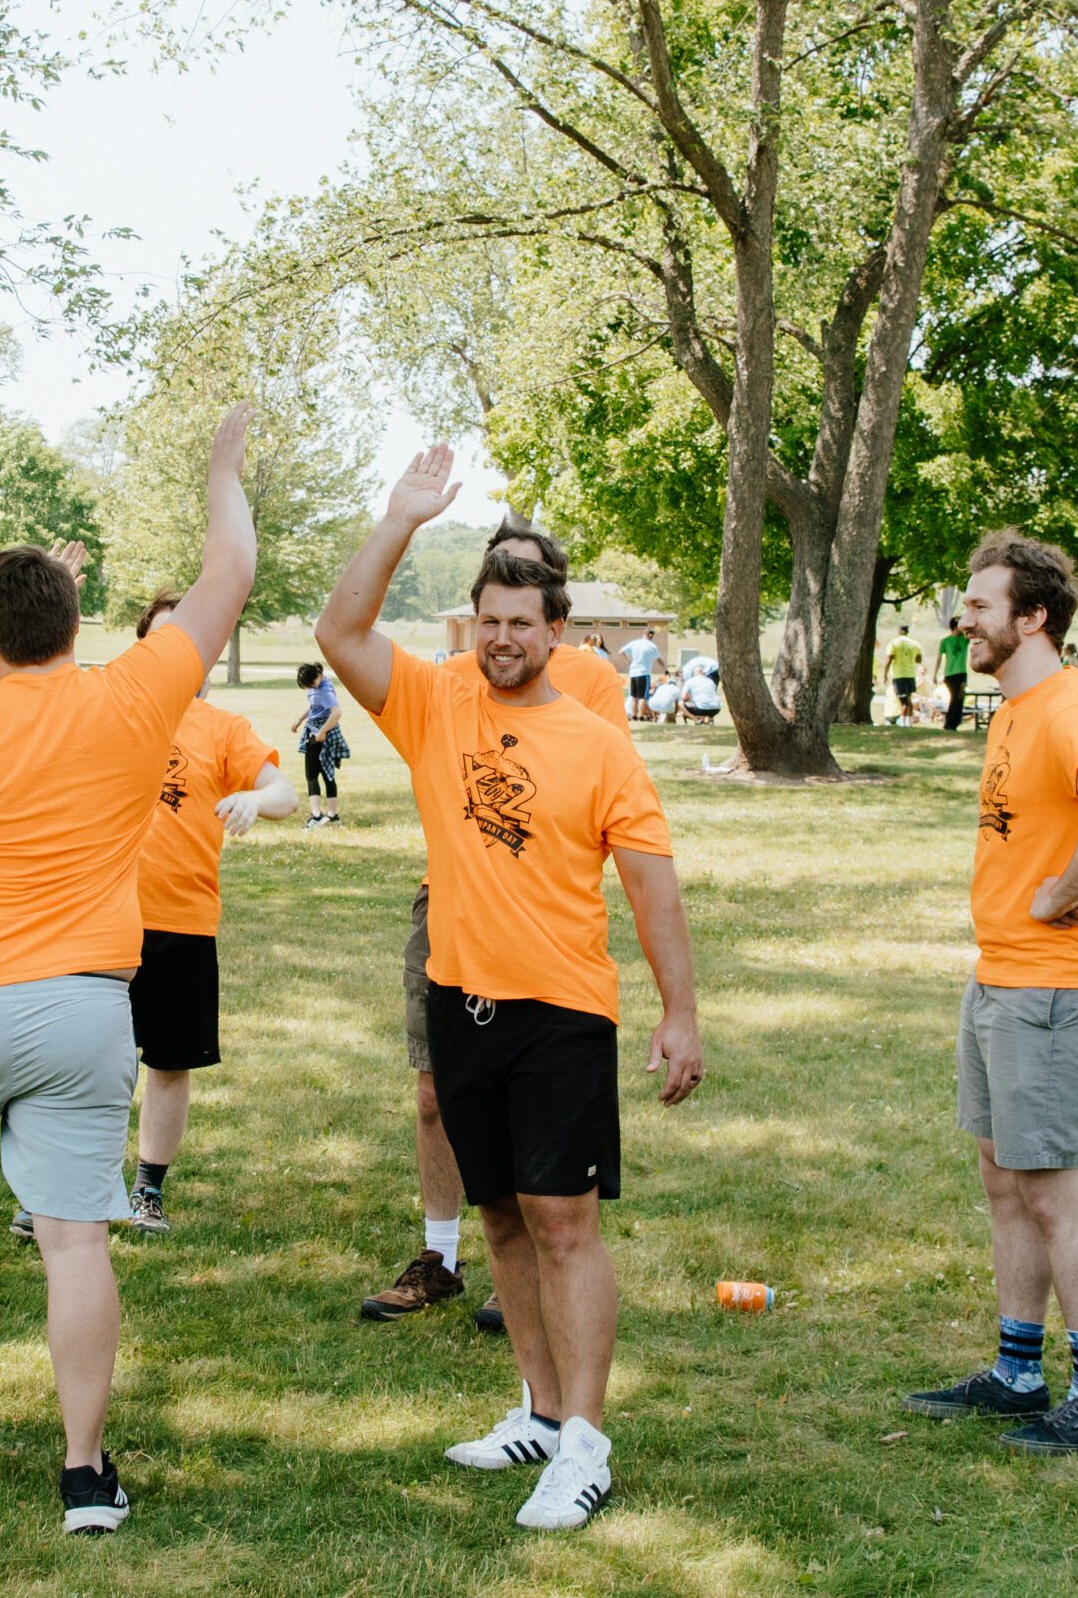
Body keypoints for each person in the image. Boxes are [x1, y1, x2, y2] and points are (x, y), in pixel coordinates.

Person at [0, 405, 256, 1534]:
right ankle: (83, 1476)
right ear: (77, 618)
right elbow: (231, 569)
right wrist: (221, 468)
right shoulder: (138, 693)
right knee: (75, 1235)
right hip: (87, 1011)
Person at [318, 446, 702, 1532]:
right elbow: (340, 632)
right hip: (461, 1001)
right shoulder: (435, 701)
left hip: (561, 1011)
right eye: (487, 621)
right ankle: (537, 1410)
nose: (500, 639)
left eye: (521, 624)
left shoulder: (599, 743)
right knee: (498, 1219)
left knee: (563, 1223)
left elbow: (652, 884)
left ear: (556, 633)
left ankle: (585, 1441)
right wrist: (398, 518)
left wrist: (679, 1012)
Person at [898, 531, 1078, 1455]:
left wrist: (1057, 892)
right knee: (1005, 1179)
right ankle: (1016, 1372)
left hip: (1055, 987)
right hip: (1002, 977)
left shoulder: (1071, 709)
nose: (961, 618)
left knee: (1050, 1191)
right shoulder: (1013, 709)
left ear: (1033, 617)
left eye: (979, 605)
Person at [361, 511, 629, 1338]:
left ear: (554, 608)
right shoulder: (450, 678)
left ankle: (529, 1263)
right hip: (446, 904)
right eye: (492, 598)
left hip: (542, 927)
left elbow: (603, 806)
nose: (504, 628)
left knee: (540, 1136)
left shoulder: (590, 683)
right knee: (434, 1092)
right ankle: (441, 1256)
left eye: (525, 588)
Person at [114, 589, 296, 1237]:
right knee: (85, 1059)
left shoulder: (222, 728)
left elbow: (285, 792)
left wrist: (254, 798)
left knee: (168, 1063)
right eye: (165, 638)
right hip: (101, 919)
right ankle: (66, 1188)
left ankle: (147, 1191)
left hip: (183, 921)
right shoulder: (110, 707)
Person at [291, 663, 344, 826]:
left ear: (317, 677)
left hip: (320, 733)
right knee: (328, 774)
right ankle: (332, 815)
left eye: (311, 685)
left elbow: (337, 712)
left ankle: (316, 816)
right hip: (322, 731)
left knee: (312, 774)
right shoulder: (322, 683)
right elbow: (315, 705)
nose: (310, 688)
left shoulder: (325, 691)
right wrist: (300, 719)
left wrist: (321, 731)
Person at [885, 622, 923, 726]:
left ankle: (902, 722)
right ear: (907, 631)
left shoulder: (893, 643)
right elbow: (918, 659)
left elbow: (888, 660)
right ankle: (908, 722)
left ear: (899, 631)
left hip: (899, 674)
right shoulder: (915, 644)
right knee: (909, 699)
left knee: (903, 701)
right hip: (910, 674)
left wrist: (885, 674)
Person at [622, 628, 663, 719]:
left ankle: (633, 715)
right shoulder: (651, 645)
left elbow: (621, 652)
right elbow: (658, 659)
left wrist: (628, 662)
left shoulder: (634, 643)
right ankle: (640, 716)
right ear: (649, 635)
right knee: (643, 697)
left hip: (633, 673)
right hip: (644, 673)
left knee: (634, 696)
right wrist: (665, 669)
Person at [939, 618, 971, 730]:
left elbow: (971, 630)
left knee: (960, 698)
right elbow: (939, 658)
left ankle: (954, 723)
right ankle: (949, 723)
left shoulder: (965, 639)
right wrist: (935, 674)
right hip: (950, 673)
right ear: (954, 627)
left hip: (961, 673)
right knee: (954, 697)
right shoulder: (945, 641)